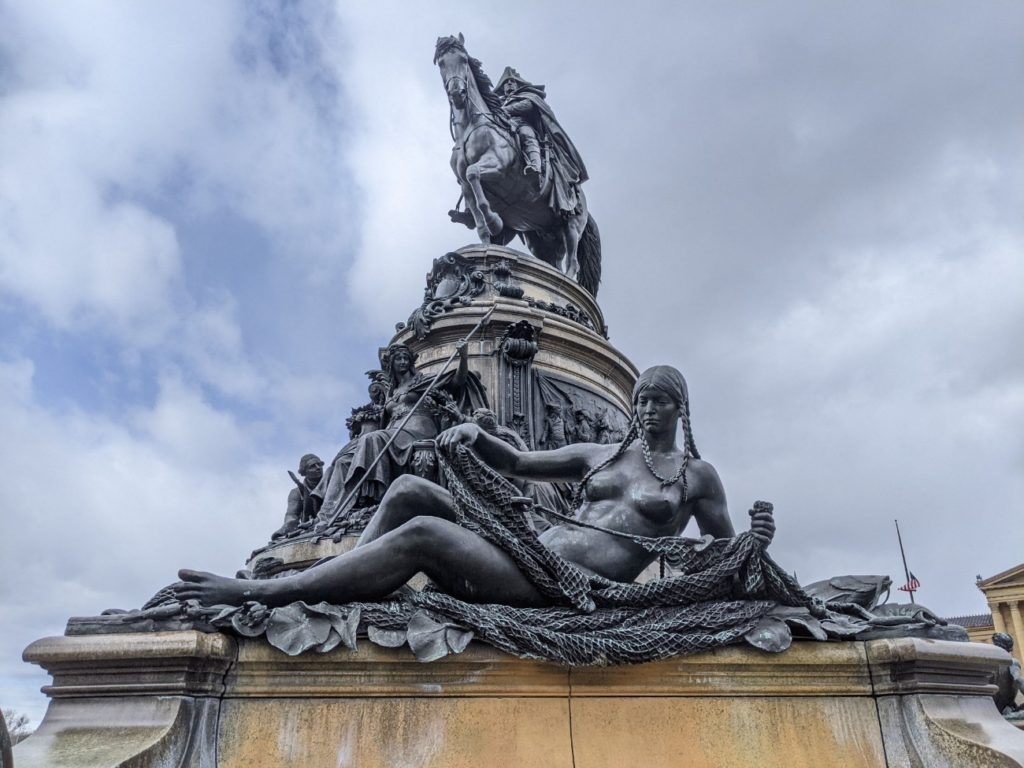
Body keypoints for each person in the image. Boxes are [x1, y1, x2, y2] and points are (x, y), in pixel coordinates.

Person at [173, 366, 775, 608]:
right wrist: (473, 435)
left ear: (680, 409)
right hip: (534, 548)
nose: (645, 410)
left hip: (564, 587)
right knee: (410, 487)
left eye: (658, 402)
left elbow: (725, 554)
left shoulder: (697, 478)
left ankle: (269, 594)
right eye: (640, 400)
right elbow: (517, 462)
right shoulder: (599, 453)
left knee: (423, 535)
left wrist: (758, 541)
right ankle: (330, 589)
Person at [311, 342, 480, 525]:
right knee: (344, 461)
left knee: (371, 438)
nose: (402, 362)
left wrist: (463, 356)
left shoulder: (423, 380)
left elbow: (457, 381)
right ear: (391, 363)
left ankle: (375, 495)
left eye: (405, 358)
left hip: (418, 429)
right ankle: (329, 515)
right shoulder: (392, 392)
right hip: (393, 432)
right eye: (398, 359)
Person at [495, 66, 589, 217]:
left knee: (526, 135)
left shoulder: (527, 95)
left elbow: (527, 106)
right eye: (506, 83)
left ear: (518, 84)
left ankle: (535, 167)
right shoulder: (497, 102)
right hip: (502, 129)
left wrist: (505, 111)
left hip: (521, 125)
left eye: (512, 82)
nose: (509, 85)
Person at [270, 453, 324, 540]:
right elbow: (291, 516)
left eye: (320, 464)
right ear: (304, 472)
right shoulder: (296, 492)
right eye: (312, 466)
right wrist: (284, 531)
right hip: (309, 528)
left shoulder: (332, 483)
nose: (318, 467)